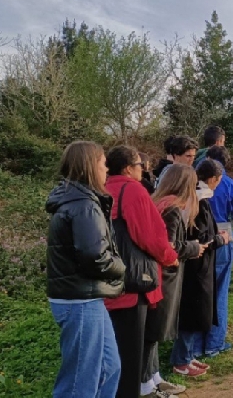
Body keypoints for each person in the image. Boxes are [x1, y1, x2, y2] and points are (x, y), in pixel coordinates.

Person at [46, 141, 126, 398]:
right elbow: (94, 257)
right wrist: (121, 268)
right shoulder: (83, 205)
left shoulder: (80, 199)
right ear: (91, 166)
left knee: (109, 366)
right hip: (78, 300)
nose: (106, 169)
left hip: (86, 297)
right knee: (80, 381)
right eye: (103, 164)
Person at [103, 146, 184, 398]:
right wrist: (171, 257)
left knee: (113, 353)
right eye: (140, 165)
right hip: (134, 282)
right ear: (128, 168)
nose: (143, 169)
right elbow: (150, 235)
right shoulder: (132, 190)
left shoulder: (101, 189)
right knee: (130, 354)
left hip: (107, 279)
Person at [142, 165, 207, 395]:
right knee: (154, 330)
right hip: (165, 276)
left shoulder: (159, 202)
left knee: (154, 331)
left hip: (159, 274)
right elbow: (169, 246)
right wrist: (194, 247)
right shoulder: (172, 208)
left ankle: (154, 376)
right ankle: (146, 383)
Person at [171, 160, 230, 377]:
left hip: (193, 262)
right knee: (192, 311)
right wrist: (221, 239)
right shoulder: (200, 201)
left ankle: (186, 356)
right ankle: (181, 359)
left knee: (195, 310)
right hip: (196, 264)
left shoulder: (195, 198)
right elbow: (202, 239)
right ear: (214, 179)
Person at [193, 145, 233, 358]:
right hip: (222, 236)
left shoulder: (192, 181)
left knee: (198, 291)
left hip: (196, 238)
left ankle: (196, 344)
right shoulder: (229, 183)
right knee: (219, 292)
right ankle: (214, 343)